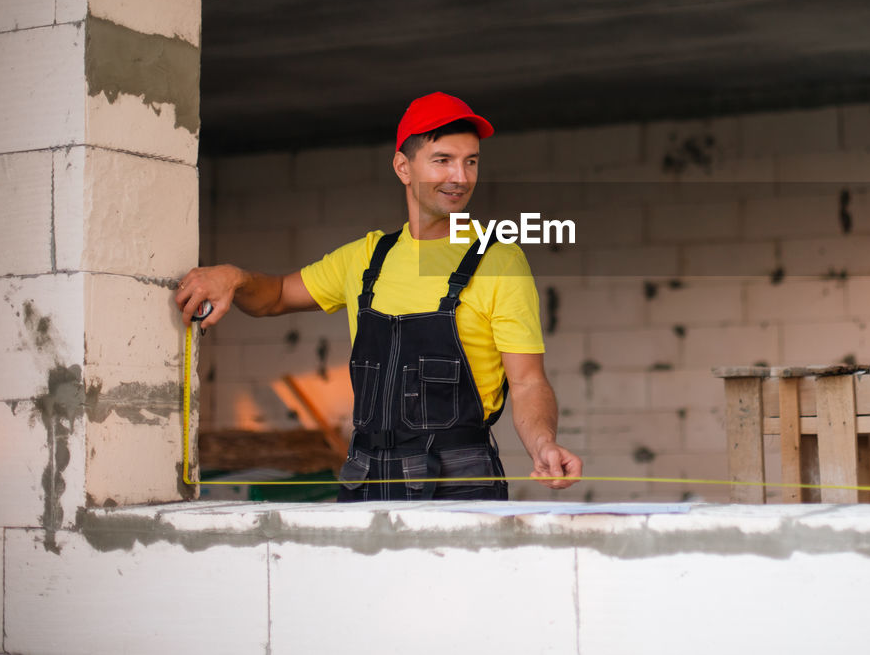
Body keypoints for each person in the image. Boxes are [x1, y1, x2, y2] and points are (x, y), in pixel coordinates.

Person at [175, 92, 582, 501]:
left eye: (471, 161)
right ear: (403, 167)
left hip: (458, 477)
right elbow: (276, 295)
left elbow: (528, 382)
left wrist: (543, 444)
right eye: (443, 160)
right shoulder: (366, 258)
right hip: (364, 476)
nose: (460, 176)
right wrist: (235, 277)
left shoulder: (499, 260)